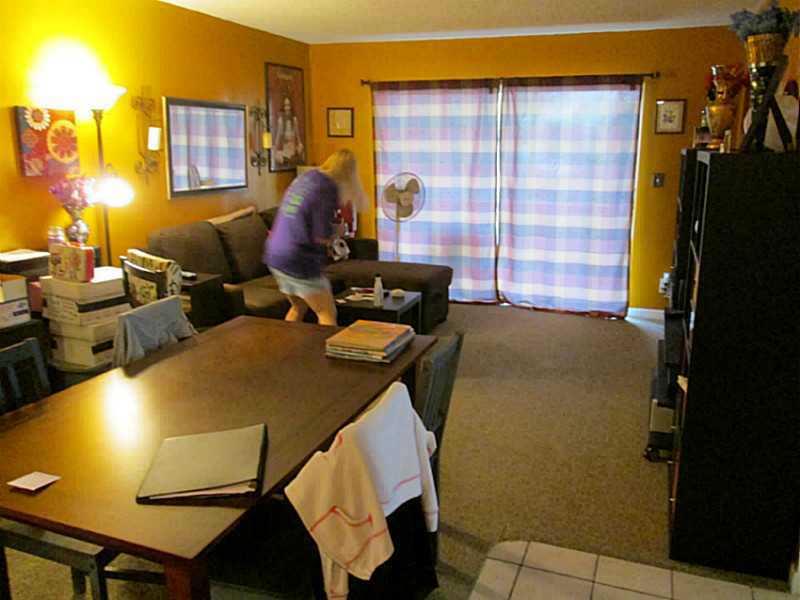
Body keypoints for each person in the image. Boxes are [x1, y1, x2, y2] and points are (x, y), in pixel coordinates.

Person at [264, 149, 365, 325]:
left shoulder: (306, 178)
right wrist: (338, 233)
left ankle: (287, 342)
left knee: (298, 307)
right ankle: (325, 344)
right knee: (327, 313)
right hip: (297, 258)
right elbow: (320, 235)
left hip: (275, 254)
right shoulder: (327, 189)